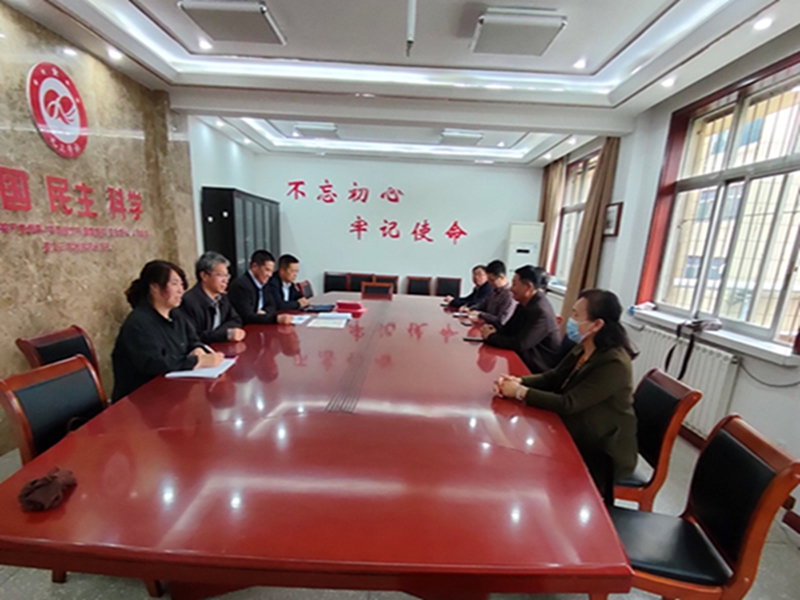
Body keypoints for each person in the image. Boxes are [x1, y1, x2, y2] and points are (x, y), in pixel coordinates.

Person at [493, 289, 638, 503]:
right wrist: (518, 381)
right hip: (576, 429)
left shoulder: (614, 363)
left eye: (576, 315)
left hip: (601, 449)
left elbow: (569, 403)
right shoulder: (584, 347)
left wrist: (520, 392)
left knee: (527, 467)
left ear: (597, 324)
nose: (571, 320)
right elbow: (553, 377)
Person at [111, 260, 224, 401]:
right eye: (174, 284)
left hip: (173, 391)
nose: (180, 290)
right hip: (142, 399)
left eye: (181, 284)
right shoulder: (138, 323)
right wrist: (198, 361)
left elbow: (193, 339)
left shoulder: (176, 314)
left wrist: (197, 348)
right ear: (155, 287)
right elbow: (155, 364)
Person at [481, 265, 560, 373]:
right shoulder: (524, 304)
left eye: (514, 284)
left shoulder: (540, 311)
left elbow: (520, 344)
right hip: (521, 358)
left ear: (528, 287)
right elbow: (508, 329)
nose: (511, 288)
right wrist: (492, 330)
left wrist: (491, 337)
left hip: (535, 369)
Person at [177, 251, 245, 344]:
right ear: (204, 276)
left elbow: (236, 320)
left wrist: (219, 333)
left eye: (226, 275)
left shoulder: (222, 298)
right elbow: (194, 337)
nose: (225, 280)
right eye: (220, 275)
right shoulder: (189, 302)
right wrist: (224, 334)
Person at [228, 250, 293, 325]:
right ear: (254, 266)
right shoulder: (241, 285)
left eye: (271, 271)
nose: (270, 275)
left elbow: (272, 305)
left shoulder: (264, 283)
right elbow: (247, 316)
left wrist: (264, 313)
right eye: (267, 270)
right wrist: (275, 319)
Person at [463, 259, 516, 327]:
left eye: (492, 280)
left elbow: (501, 320)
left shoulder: (509, 295)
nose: (490, 283)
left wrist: (480, 314)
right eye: (489, 280)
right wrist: (470, 309)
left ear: (502, 277)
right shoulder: (493, 291)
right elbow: (482, 305)